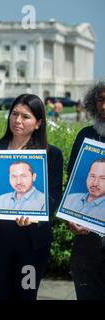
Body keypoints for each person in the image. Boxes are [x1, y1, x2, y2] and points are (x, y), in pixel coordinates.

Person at [0, 93, 63, 300]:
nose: (18, 121)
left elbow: (54, 195)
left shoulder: (51, 155)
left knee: (26, 295)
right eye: (14, 114)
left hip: (32, 244)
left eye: (26, 116)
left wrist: (36, 215)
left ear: (38, 123)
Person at [67, 81, 105, 300]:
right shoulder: (85, 136)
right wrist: (71, 217)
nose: (104, 106)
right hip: (87, 241)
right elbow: (75, 183)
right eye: (100, 100)